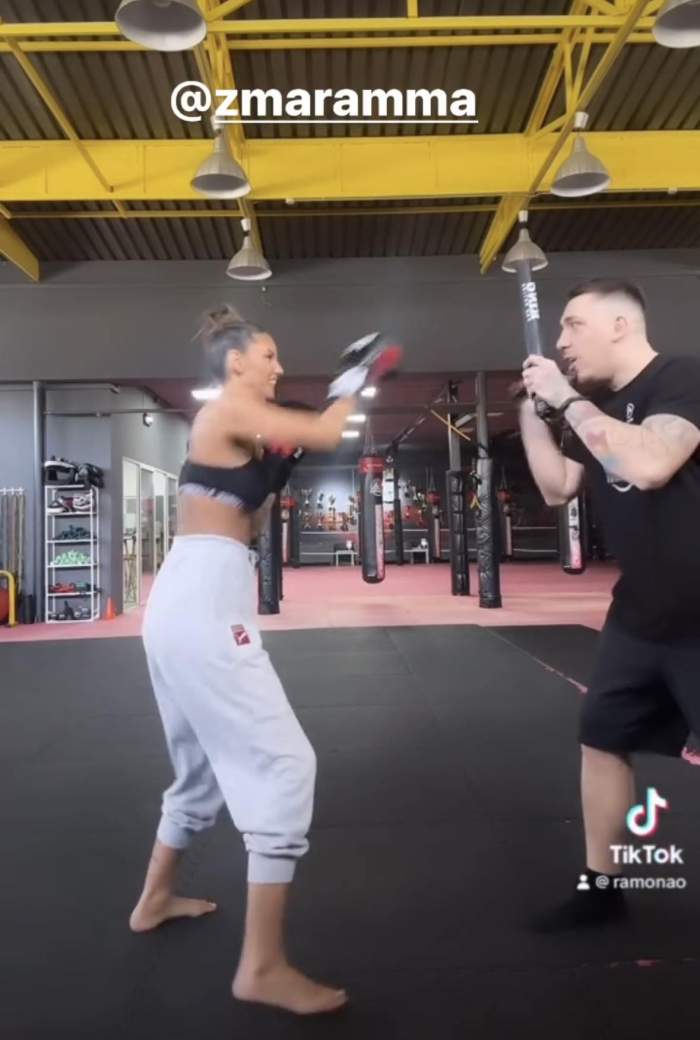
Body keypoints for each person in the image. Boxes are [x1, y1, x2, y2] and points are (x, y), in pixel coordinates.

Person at [129, 307, 401, 1012]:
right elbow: (326, 430)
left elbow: (244, 519)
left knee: (198, 768)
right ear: (236, 363)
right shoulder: (226, 409)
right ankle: (262, 967)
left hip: (191, 598)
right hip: (203, 606)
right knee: (286, 766)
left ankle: (154, 899)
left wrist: (276, 469)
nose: (279, 367)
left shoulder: (236, 429)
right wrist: (351, 381)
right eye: (270, 356)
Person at [518, 278, 700, 931]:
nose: (562, 342)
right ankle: (601, 887)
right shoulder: (594, 408)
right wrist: (533, 413)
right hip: (639, 615)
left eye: (574, 325)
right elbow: (558, 485)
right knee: (601, 738)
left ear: (621, 326)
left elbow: (651, 464)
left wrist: (567, 400)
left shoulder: (682, 377)